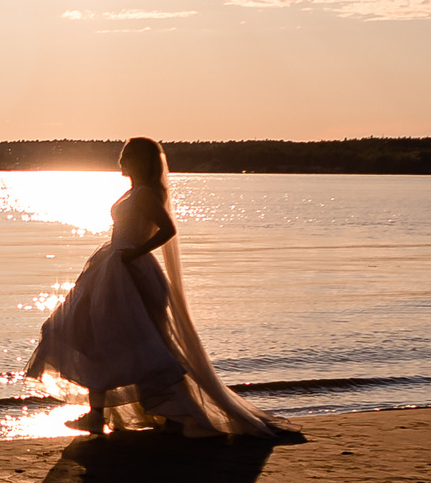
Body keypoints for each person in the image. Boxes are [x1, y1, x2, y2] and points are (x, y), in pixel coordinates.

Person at [25, 137, 290, 439]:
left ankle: (170, 413)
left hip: (130, 274)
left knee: (138, 346)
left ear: (139, 160)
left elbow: (168, 230)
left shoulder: (146, 195)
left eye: (126, 155)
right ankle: (99, 414)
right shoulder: (134, 192)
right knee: (93, 338)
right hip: (112, 269)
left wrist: (133, 253)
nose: (120, 159)